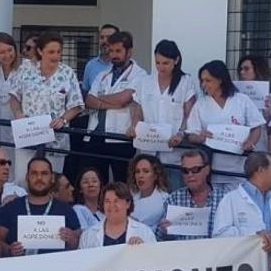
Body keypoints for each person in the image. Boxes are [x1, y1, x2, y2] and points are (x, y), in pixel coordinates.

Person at [8, 31, 84, 178]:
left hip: (55, 140)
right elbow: (14, 96)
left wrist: (63, 120)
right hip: (28, 135)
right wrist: (18, 114)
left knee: (52, 182)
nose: (55, 56)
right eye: (51, 52)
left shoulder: (67, 73)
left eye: (58, 52)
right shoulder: (25, 69)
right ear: (40, 51)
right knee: (23, 179)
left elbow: (76, 105)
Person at [187, 61, 265, 186]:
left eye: (208, 80)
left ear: (220, 79)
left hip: (239, 168)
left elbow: (256, 126)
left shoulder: (241, 100)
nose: (204, 85)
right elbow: (191, 134)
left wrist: (251, 142)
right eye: (202, 81)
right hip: (212, 168)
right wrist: (199, 137)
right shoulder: (200, 104)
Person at [83, 31, 147, 181]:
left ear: (129, 51)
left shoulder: (140, 75)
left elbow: (123, 99)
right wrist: (115, 102)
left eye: (118, 51)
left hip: (120, 137)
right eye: (111, 51)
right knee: (96, 181)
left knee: (121, 182)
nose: (113, 55)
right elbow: (88, 101)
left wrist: (100, 100)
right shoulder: (102, 74)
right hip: (95, 135)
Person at [128, 40, 196, 177]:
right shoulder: (145, 82)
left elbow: (190, 114)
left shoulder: (186, 82)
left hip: (174, 152)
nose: (161, 67)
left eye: (165, 63)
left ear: (176, 60)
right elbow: (138, 110)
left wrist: (181, 134)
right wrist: (133, 126)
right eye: (157, 63)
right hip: (148, 148)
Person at [0, 156, 82, 256]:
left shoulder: (67, 210)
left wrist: (72, 239)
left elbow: (80, 245)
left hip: (56, 269)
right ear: (27, 177)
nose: (39, 178)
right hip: (17, 269)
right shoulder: (10, 208)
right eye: (34, 173)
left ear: (52, 178)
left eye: (44, 173)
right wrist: (9, 250)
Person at [212, 152, 271, 249]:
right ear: (260, 170)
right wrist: (255, 234)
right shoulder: (231, 199)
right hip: (244, 262)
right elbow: (219, 235)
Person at [155, 150, 232, 241]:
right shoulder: (174, 199)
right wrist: (164, 231)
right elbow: (158, 238)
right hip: (183, 253)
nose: (190, 175)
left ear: (207, 170)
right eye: (185, 171)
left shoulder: (224, 198)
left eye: (195, 170)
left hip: (216, 253)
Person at [237, 54, 271, 152]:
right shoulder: (235, 95)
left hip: (260, 147)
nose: (242, 72)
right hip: (237, 146)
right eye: (241, 69)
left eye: (246, 69)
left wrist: (268, 113)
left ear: (258, 70)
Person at [0, 32, 24, 144]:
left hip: (21, 124)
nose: (7, 55)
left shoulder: (26, 69)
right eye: (2, 52)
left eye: (10, 50)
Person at [128, 154, 169, 228]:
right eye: (137, 171)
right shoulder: (128, 195)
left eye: (146, 171)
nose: (140, 175)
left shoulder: (165, 200)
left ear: (155, 176)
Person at [80, 23, 119, 93]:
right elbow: (85, 93)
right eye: (102, 37)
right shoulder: (91, 65)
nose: (104, 41)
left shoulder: (124, 65)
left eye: (108, 37)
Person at [72, 164, 106, 230]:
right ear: (80, 189)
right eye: (85, 182)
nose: (91, 185)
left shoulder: (106, 210)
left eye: (94, 181)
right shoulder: (77, 209)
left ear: (101, 186)